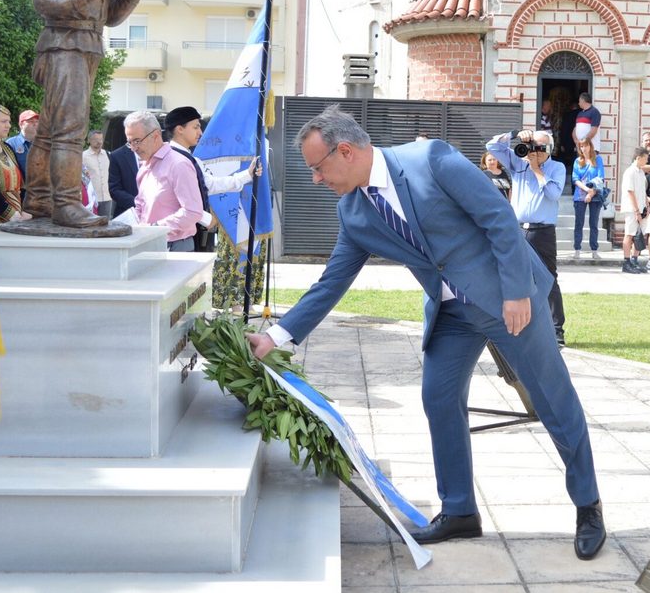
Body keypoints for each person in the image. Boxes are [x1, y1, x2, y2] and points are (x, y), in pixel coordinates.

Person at [247, 106, 605, 559]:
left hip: (508, 301)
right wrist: (276, 337)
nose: (316, 179)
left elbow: (498, 217)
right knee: (438, 398)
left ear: (345, 151)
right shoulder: (354, 212)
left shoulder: (430, 159)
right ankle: (459, 512)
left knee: (554, 400)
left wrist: (517, 292)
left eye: (318, 168)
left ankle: (588, 505)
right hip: (451, 312)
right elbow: (331, 281)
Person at [24, 0, 156, 228]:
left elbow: (110, 17)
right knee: (68, 128)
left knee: (54, 129)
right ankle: (66, 203)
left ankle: (38, 199)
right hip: (63, 44)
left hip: (87, 43)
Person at [487, 130, 568, 345]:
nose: (535, 152)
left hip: (543, 231)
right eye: (533, 146)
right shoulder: (518, 162)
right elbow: (492, 147)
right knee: (510, 274)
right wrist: (514, 134)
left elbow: (553, 194)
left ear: (549, 149)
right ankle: (509, 324)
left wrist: (536, 169)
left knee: (548, 278)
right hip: (518, 229)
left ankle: (557, 330)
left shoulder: (557, 167)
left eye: (541, 148)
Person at [165, 106, 260, 253]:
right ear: (180, 129)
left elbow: (209, 184)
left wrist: (247, 174)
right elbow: (172, 200)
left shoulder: (190, 159)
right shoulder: (172, 159)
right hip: (177, 235)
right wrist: (204, 218)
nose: (200, 132)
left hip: (190, 230)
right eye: (196, 127)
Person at [125, 111, 203, 251]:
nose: (133, 148)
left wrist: (156, 228)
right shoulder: (145, 167)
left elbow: (193, 211)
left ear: (155, 136)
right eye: (130, 143)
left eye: (137, 141)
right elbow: (141, 206)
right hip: (149, 243)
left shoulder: (178, 164)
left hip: (176, 246)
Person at [0, 104, 28, 223]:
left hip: (15, 216)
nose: (8, 125)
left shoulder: (8, 148)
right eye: (3, 121)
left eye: (9, 122)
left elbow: (21, 184)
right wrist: (9, 212)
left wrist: (24, 209)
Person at [571, 139, 605, 260]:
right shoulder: (577, 161)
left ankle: (594, 249)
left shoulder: (598, 159)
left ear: (590, 146)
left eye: (585, 146)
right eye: (581, 146)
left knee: (593, 223)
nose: (583, 149)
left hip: (595, 195)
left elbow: (600, 177)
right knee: (579, 223)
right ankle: (577, 249)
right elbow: (575, 179)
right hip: (580, 196)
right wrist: (586, 190)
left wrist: (591, 194)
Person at [618, 147, 650, 274]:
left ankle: (634, 260)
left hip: (641, 207)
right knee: (629, 234)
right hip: (632, 209)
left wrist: (647, 205)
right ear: (639, 157)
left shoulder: (641, 172)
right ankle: (626, 263)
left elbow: (642, 191)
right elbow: (630, 192)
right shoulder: (629, 172)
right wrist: (636, 210)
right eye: (645, 158)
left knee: (640, 235)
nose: (647, 161)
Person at [82, 129, 112, 216]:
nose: (99, 142)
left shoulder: (108, 155)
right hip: (91, 199)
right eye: (96, 139)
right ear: (89, 140)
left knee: (106, 224)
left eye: (101, 139)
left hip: (107, 197)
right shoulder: (83, 156)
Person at [5, 109, 39, 182]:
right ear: (21, 125)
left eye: (37, 121)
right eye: (31, 121)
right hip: (20, 190)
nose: (35, 124)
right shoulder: (11, 143)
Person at [108, 141, 139, 214]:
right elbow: (114, 189)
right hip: (128, 213)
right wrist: (137, 203)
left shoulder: (156, 152)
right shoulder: (117, 155)